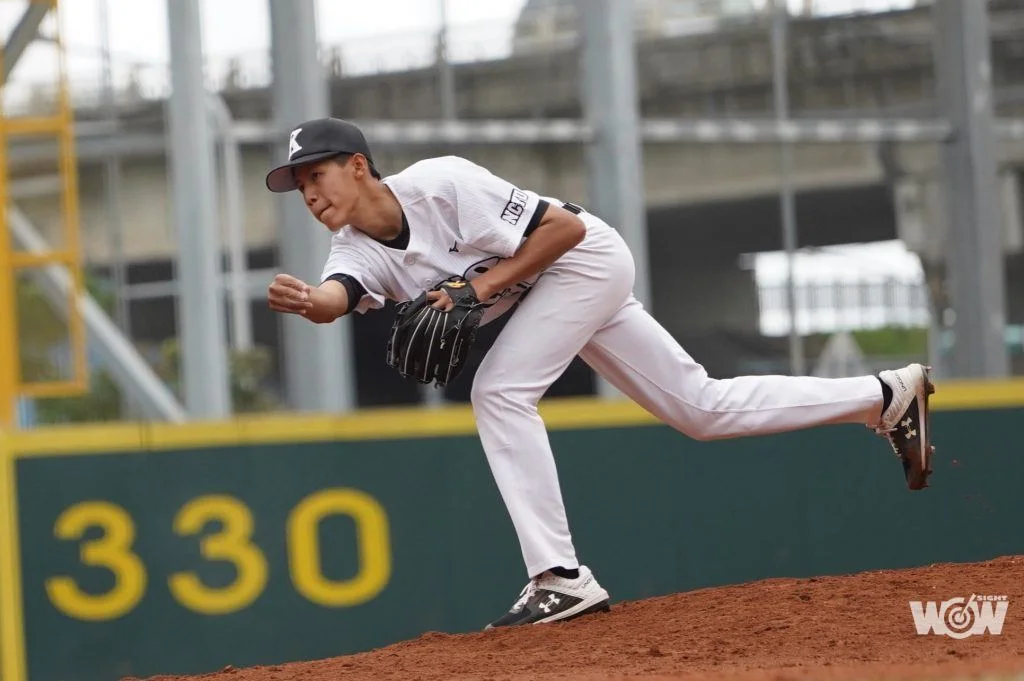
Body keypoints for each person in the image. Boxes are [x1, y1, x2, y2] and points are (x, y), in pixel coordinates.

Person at [265, 117, 936, 630]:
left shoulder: (441, 185)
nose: (309, 193)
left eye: (316, 175)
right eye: (299, 186)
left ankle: (558, 576)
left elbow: (564, 230)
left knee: (499, 391)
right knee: (700, 409)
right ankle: (884, 396)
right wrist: (309, 301)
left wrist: (478, 288)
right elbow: (338, 294)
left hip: (585, 262)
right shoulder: (355, 247)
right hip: (553, 288)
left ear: (358, 166)